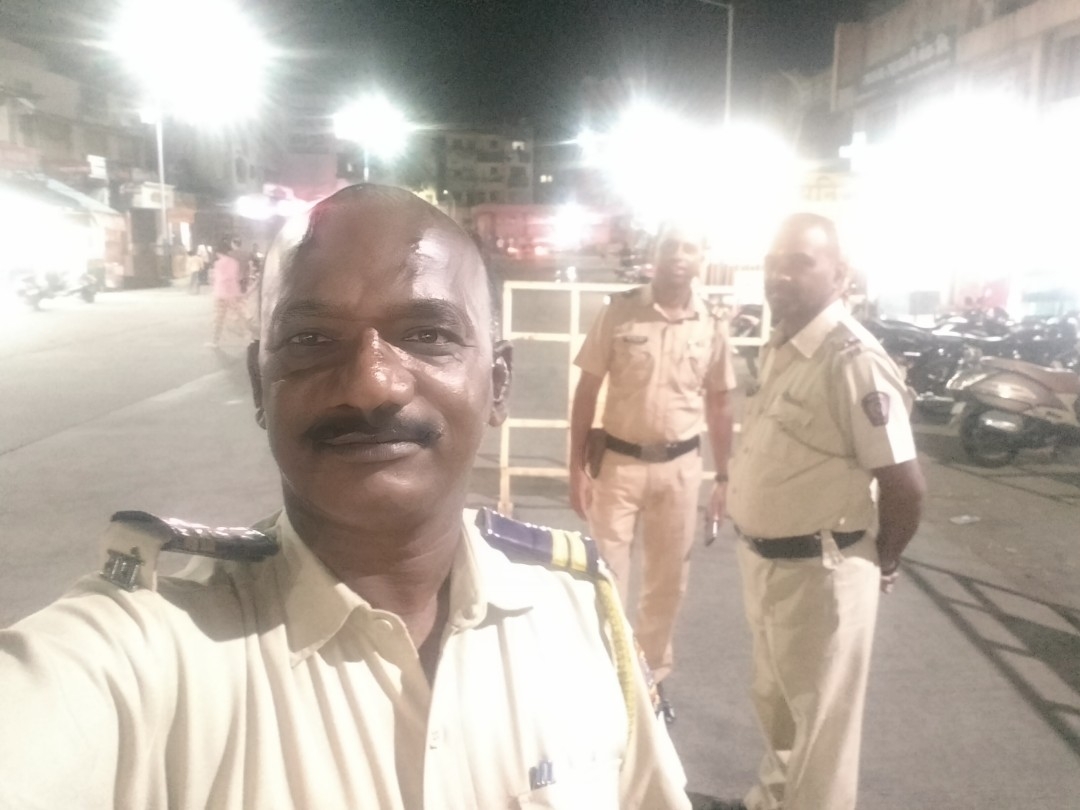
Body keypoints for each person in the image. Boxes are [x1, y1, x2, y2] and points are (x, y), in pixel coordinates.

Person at [0, 184, 692, 809]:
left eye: (427, 335)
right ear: (261, 385)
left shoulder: (580, 618)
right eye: (311, 340)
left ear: (499, 383)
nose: (371, 384)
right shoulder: (150, 652)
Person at [727, 213, 926, 810]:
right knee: (777, 705)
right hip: (768, 564)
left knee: (823, 732)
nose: (780, 275)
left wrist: (884, 559)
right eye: (773, 263)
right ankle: (771, 801)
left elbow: (905, 485)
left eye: (799, 263)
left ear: (840, 275)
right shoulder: (785, 347)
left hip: (824, 570)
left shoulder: (852, 359)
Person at [569, 222, 736, 724]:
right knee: (606, 577)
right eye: (670, 247)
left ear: (701, 258)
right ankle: (609, 676)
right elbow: (586, 390)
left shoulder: (712, 324)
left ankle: (651, 679)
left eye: (689, 248)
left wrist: (723, 478)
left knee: (667, 583)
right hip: (618, 465)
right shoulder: (620, 311)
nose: (679, 256)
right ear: (654, 256)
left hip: (681, 471)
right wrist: (576, 469)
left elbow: (720, 402)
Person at [207, 237, 247, 348]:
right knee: (240, 315)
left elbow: (222, 279)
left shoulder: (219, 263)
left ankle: (215, 341)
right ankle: (249, 337)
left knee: (219, 318)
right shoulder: (234, 262)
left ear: (217, 252)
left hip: (222, 294)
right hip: (234, 292)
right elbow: (235, 277)